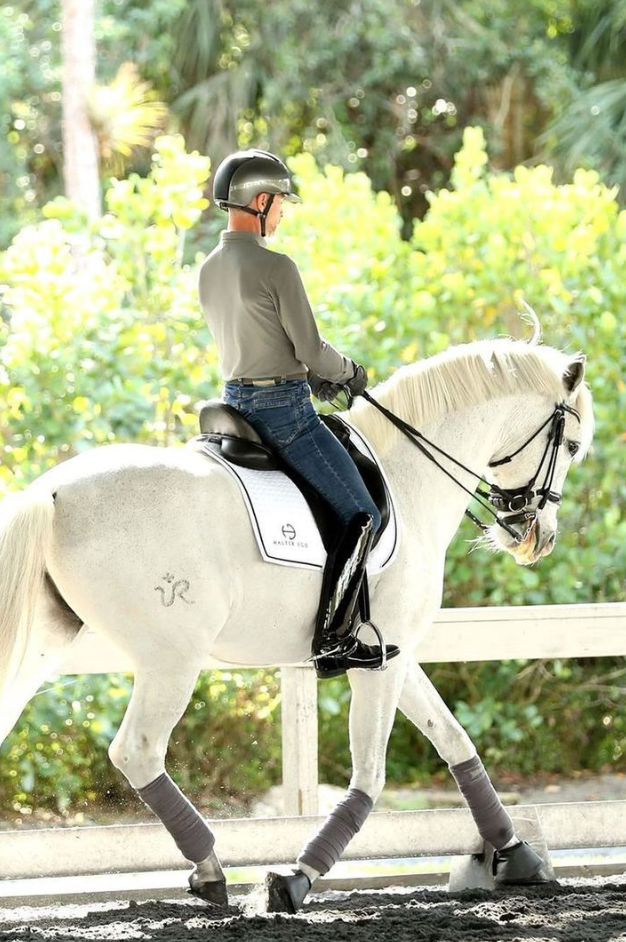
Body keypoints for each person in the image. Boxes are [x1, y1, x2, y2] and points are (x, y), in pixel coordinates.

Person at [198, 148, 400, 678]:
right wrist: (349, 371)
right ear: (259, 202)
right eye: (281, 202)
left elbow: (254, 335)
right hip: (284, 413)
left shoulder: (209, 268)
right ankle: (335, 637)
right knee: (363, 514)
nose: (283, 212)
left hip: (233, 404)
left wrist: (304, 369)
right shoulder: (276, 266)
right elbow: (311, 350)